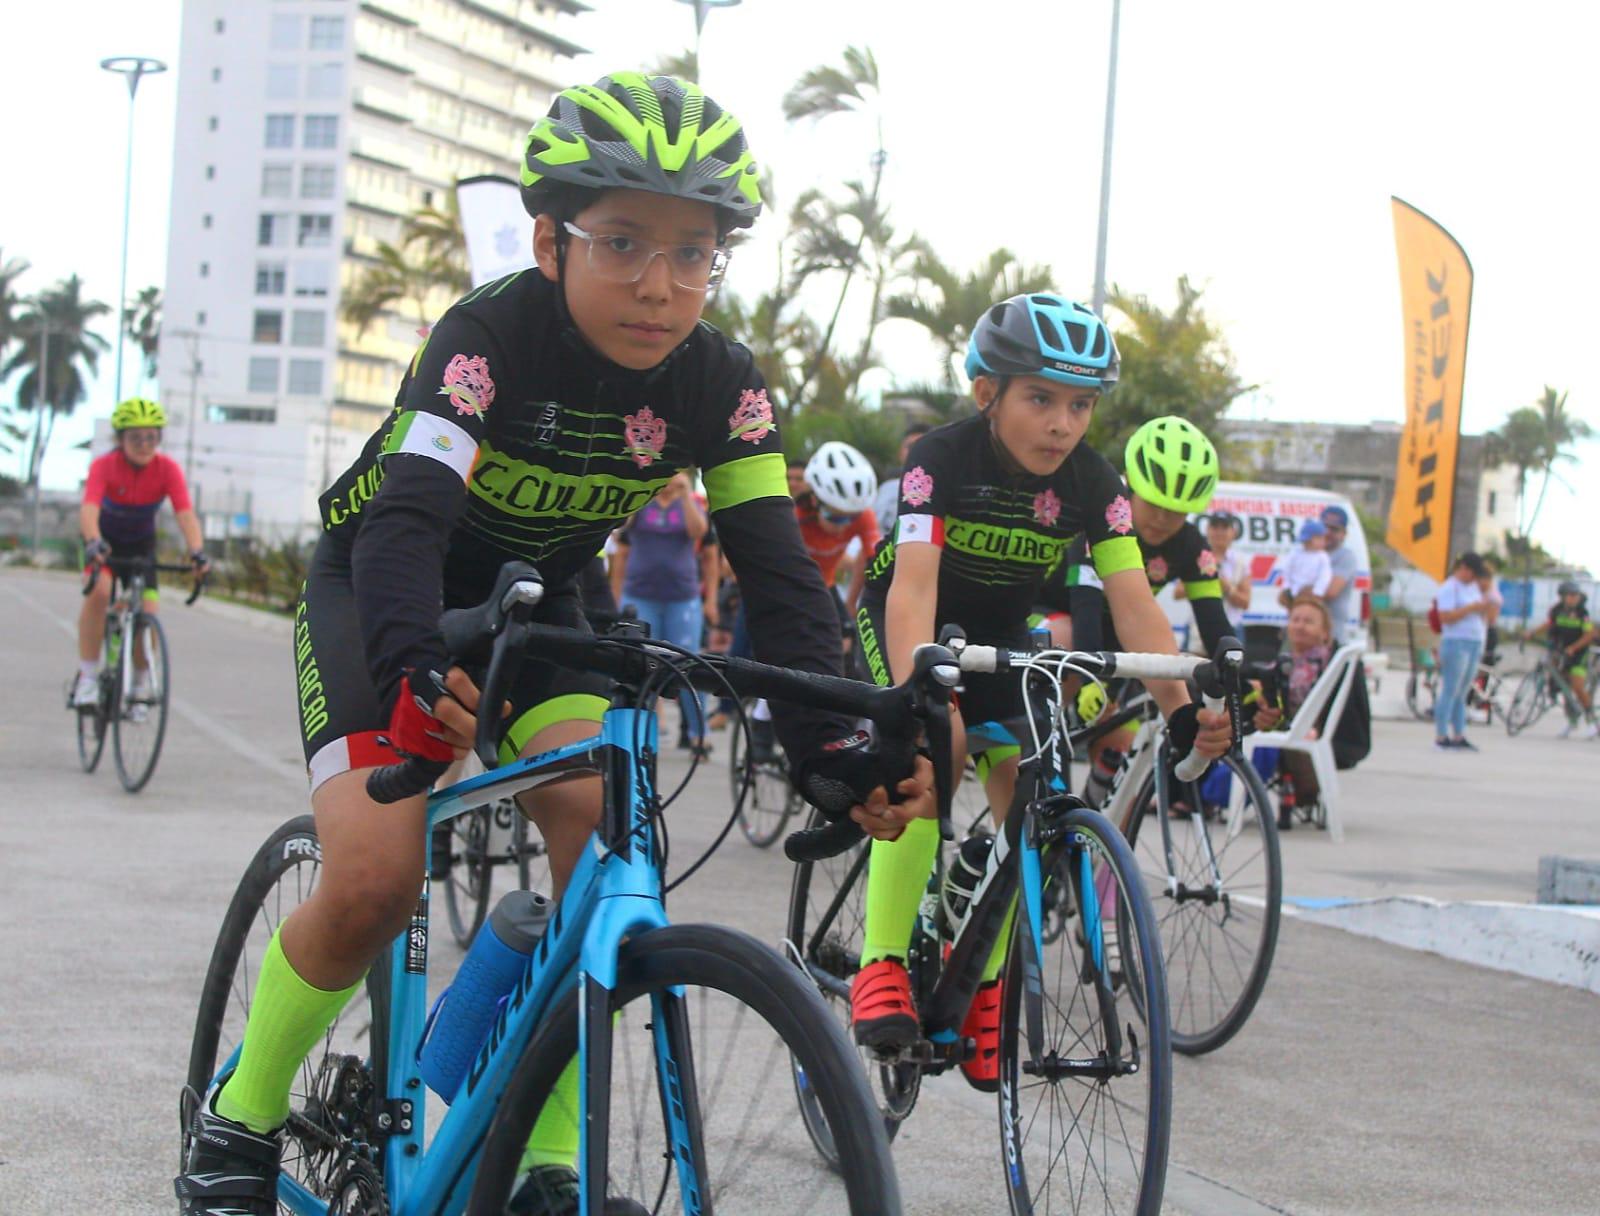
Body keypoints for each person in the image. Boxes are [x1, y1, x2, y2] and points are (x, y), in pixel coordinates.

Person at [175, 73, 922, 1216]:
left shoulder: (721, 383)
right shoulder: (486, 338)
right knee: (376, 876)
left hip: (541, 601)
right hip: (389, 584)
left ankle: (541, 1163)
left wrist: (828, 732)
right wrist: (409, 665)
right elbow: (407, 522)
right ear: (548, 238)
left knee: (595, 835)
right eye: (620, 242)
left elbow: (778, 574)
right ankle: (238, 1114)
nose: (657, 283)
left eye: (692, 252)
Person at [849, 294, 1231, 1091]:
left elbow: (1135, 604)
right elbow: (912, 589)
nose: (1063, 423)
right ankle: (881, 960)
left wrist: (1185, 710)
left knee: (1036, 782)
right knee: (937, 749)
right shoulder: (940, 458)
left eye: (1081, 404)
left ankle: (984, 980)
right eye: (1041, 398)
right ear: (988, 392)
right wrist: (920, 693)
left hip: (999, 634)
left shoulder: (1095, 481)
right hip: (906, 617)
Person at [1049, 416, 1232, 810]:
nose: (1166, 519)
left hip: (1121, 637)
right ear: (1131, 485)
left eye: (1178, 511)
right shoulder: (1106, 517)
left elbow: (1215, 625)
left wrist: (1244, 682)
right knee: (1064, 643)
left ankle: (1084, 840)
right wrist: (1087, 678)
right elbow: (1084, 605)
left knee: (1120, 748)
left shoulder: (1191, 545)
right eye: (1156, 503)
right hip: (1060, 622)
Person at [74, 397, 208, 708]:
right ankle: (88, 678)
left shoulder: (167, 469)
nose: (144, 445)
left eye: (151, 437)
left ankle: (138, 684)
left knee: (148, 612)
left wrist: (197, 551)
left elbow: (185, 513)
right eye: (135, 438)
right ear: (120, 439)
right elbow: (89, 508)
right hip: (104, 545)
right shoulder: (103, 466)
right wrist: (93, 540)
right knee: (99, 593)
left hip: (141, 548)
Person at [609, 472, 713, 757]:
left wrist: (685, 496)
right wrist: (647, 491)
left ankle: (698, 734)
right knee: (639, 661)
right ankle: (642, 731)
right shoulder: (646, 499)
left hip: (682, 596)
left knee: (688, 661)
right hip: (641, 593)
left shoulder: (688, 502)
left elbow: (698, 532)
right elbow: (623, 531)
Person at [1251, 594, 1335, 829]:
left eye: (1308, 621)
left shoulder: (1319, 662)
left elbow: (1296, 694)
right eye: (1295, 619)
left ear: (1325, 632)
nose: (1300, 625)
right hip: (1286, 721)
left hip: (1300, 725)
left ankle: (1206, 795)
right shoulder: (1290, 659)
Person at [1432, 551, 1491, 751]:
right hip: (1456, 641)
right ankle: (1441, 735)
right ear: (1464, 569)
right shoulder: (1450, 588)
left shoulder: (1473, 587)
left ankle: (1459, 734)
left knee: (1463, 691)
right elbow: (1445, 617)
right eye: (1472, 573)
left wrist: (1481, 608)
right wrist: (1470, 609)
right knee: (1450, 689)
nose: (1474, 578)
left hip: (1474, 641)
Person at [1529, 580, 1598, 738]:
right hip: (1561, 653)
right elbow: (1549, 624)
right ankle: (1571, 721)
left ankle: (1592, 721)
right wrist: (1532, 633)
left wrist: (1574, 648)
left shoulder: (1582, 613)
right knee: (1564, 688)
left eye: (1576, 595)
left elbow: (1589, 635)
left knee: (1578, 687)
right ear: (1563, 597)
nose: (1574, 598)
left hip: (1578, 655)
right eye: (1571, 595)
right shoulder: (1557, 611)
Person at [1182, 510, 1251, 633]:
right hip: (1197, 628)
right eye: (1215, 527)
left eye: (1224, 527)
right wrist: (1204, 581)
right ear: (1207, 530)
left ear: (1233, 532)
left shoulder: (1240, 563)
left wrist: (1227, 588)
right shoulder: (1196, 557)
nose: (1219, 532)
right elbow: (1178, 593)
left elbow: (1245, 603)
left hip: (1231, 627)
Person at [872, 423, 931, 535]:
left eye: (924, 447)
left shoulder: (947, 489)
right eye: (911, 447)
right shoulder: (887, 489)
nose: (916, 453)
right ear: (900, 452)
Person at [1317, 505, 1360, 640]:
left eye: (1334, 529)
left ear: (1343, 534)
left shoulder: (1345, 557)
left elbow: (1330, 591)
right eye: (1324, 527)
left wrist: (1299, 590)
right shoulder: (1309, 554)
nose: (1327, 532)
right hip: (1302, 634)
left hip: (1330, 635)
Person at [1278, 517, 1333, 604]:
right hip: (1294, 592)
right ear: (1309, 540)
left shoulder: (1322, 557)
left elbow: (1325, 576)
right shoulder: (1295, 553)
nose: (1323, 542)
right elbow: (1287, 570)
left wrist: (1318, 591)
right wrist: (1287, 587)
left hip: (1312, 594)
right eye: (1320, 538)